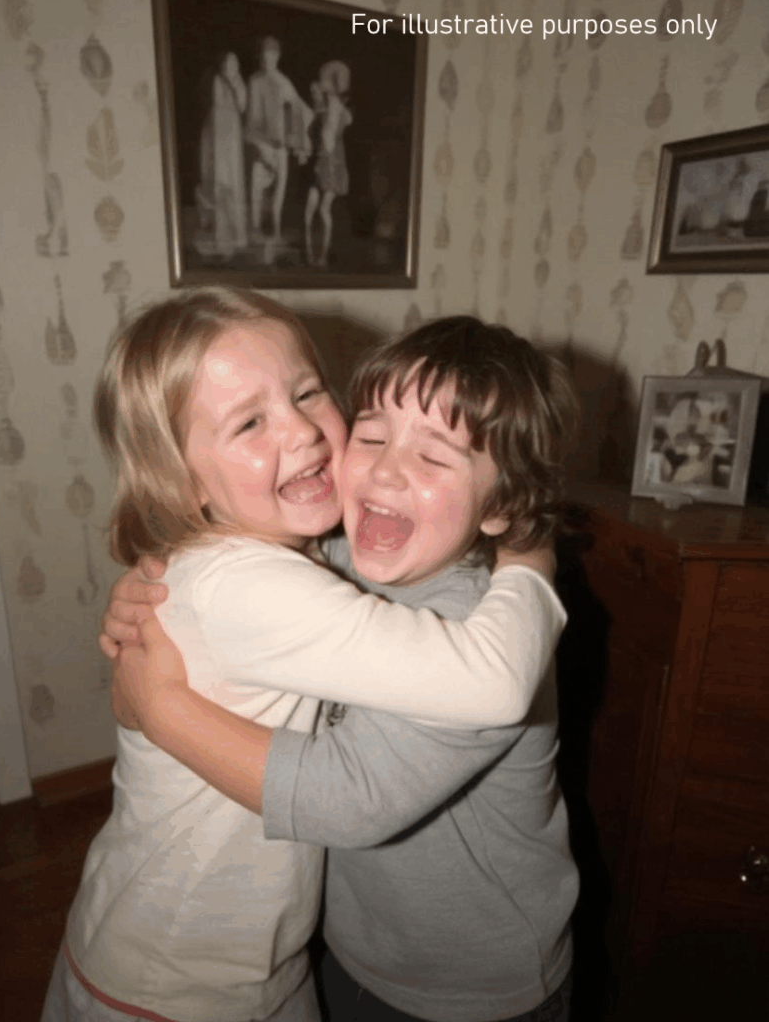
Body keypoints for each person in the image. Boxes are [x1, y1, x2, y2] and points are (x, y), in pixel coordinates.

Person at [42, 292, 568, 1022]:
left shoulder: (482, 625)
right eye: (373, 435)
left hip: (464, 984)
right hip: (192, 973)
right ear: (182, 479)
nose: (303, 431)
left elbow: (353, 794)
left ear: (501, 501)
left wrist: (161, 709)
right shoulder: (291, 569)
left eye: (308, 393)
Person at [244, 37, 313, 242]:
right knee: (257, 188)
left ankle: (275, 231)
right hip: (261, 142)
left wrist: (298, 142)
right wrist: (260, 145)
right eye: (264, 58)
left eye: (272, 58)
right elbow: (251, 119)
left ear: (278, 57)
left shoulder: (283, 82)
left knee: (278, 191)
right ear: (260, 58)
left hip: (280, 144)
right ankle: (255, 228)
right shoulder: (255, 81)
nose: (268, 62)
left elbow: (300, 110)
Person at [195, 51, 248, 259]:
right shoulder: (217, 80)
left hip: (233, 134)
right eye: (228, 62)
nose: (231, 66)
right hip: (218, 133)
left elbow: (242, 105)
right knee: (219, 180)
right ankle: (221, 236)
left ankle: (237, 235)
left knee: (234, 181)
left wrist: (235, 86)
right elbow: (218, 103)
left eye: (234, 63)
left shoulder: (239, 82)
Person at [304, 61, 352, 267]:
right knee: (311, 209)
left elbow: (329, 141)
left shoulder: (335, 107)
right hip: (322, 163)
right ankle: (311, 254)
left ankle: (322, 256)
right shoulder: (328, 106)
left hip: (331, 165)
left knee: (323, 209)